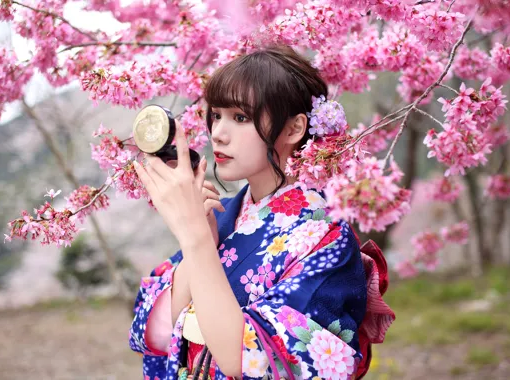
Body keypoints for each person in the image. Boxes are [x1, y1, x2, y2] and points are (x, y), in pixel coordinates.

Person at [129, 45, 395, 380]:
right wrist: (202, 239)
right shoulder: (223, 217)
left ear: (294, 129)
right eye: (216, 115)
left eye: (240, 118)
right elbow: (151, 333)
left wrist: (195, 238)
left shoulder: (327, 238)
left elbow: (247, 359)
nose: (218, 134)